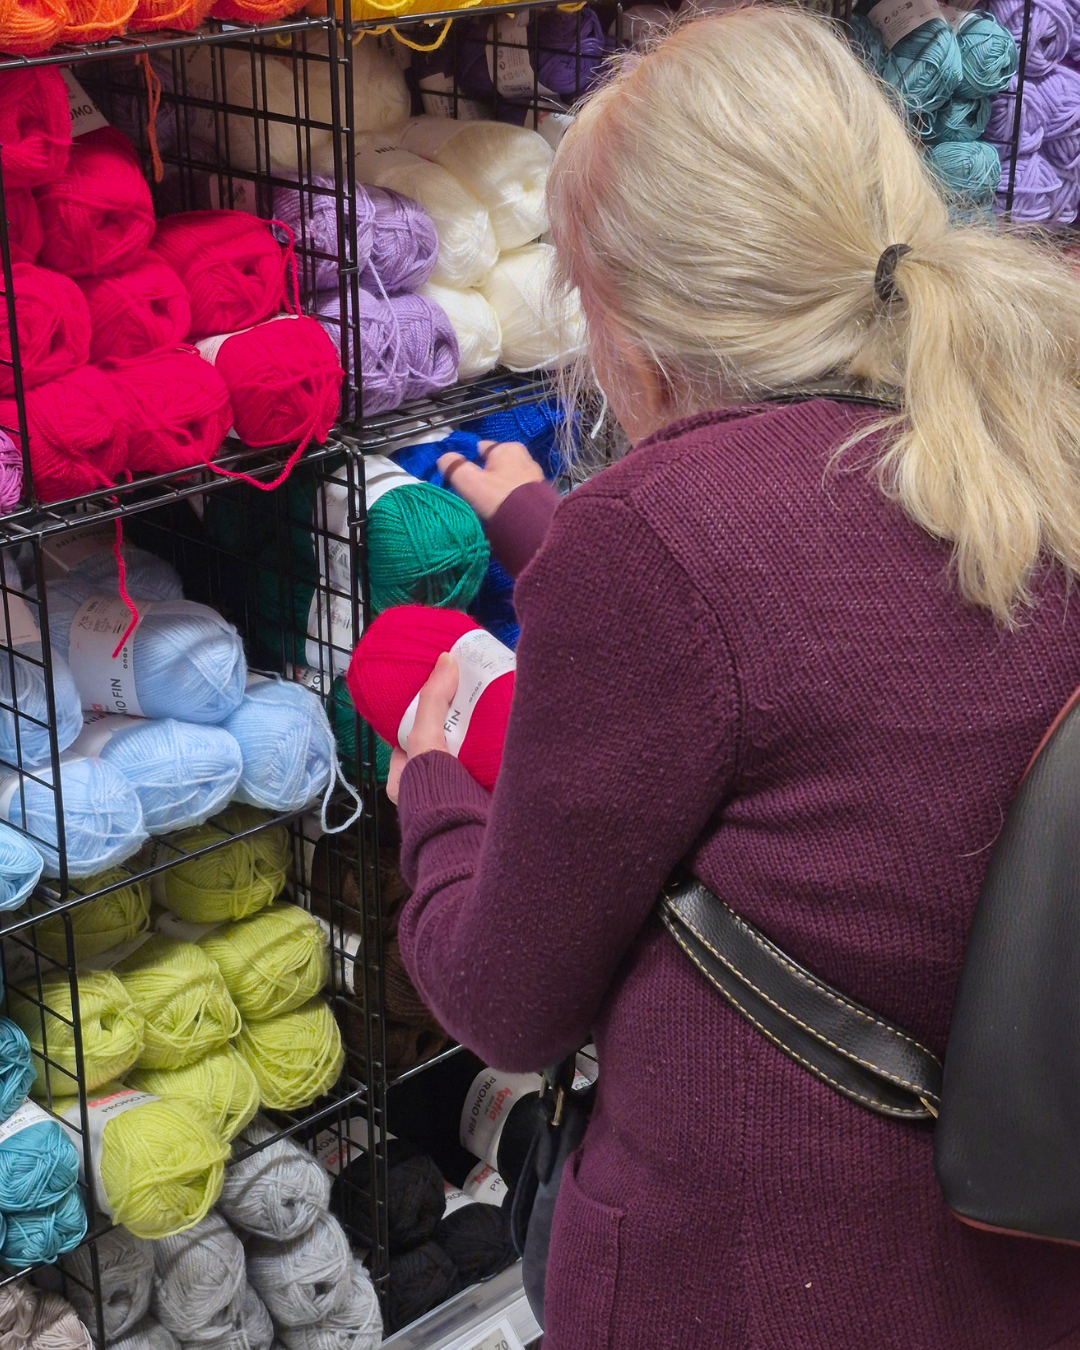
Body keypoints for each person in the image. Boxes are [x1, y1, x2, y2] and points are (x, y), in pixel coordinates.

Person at [386, 8, 1080, 1348]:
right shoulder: (1021, 429)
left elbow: (507, 999)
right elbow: (844, 651)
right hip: (1018, 1261)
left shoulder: (658, 539)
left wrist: (434, 795)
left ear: (636, 317)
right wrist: (556, 542)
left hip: (764, 1283)